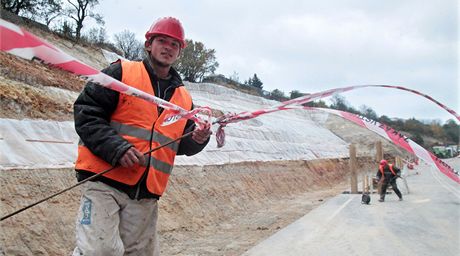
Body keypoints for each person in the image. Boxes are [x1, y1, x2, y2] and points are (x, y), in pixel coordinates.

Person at [72, 17, 212, 256]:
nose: (168, 47)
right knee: (99, 250)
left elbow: (181, 143)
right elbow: (86, 112)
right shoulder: (121, 73)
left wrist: (198, 139)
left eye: (174, 44)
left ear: (179, 52)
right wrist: (117, 149)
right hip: (105, 181)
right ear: (149, 44)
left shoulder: (183, 98)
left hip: (145, 194)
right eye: (162, 40)